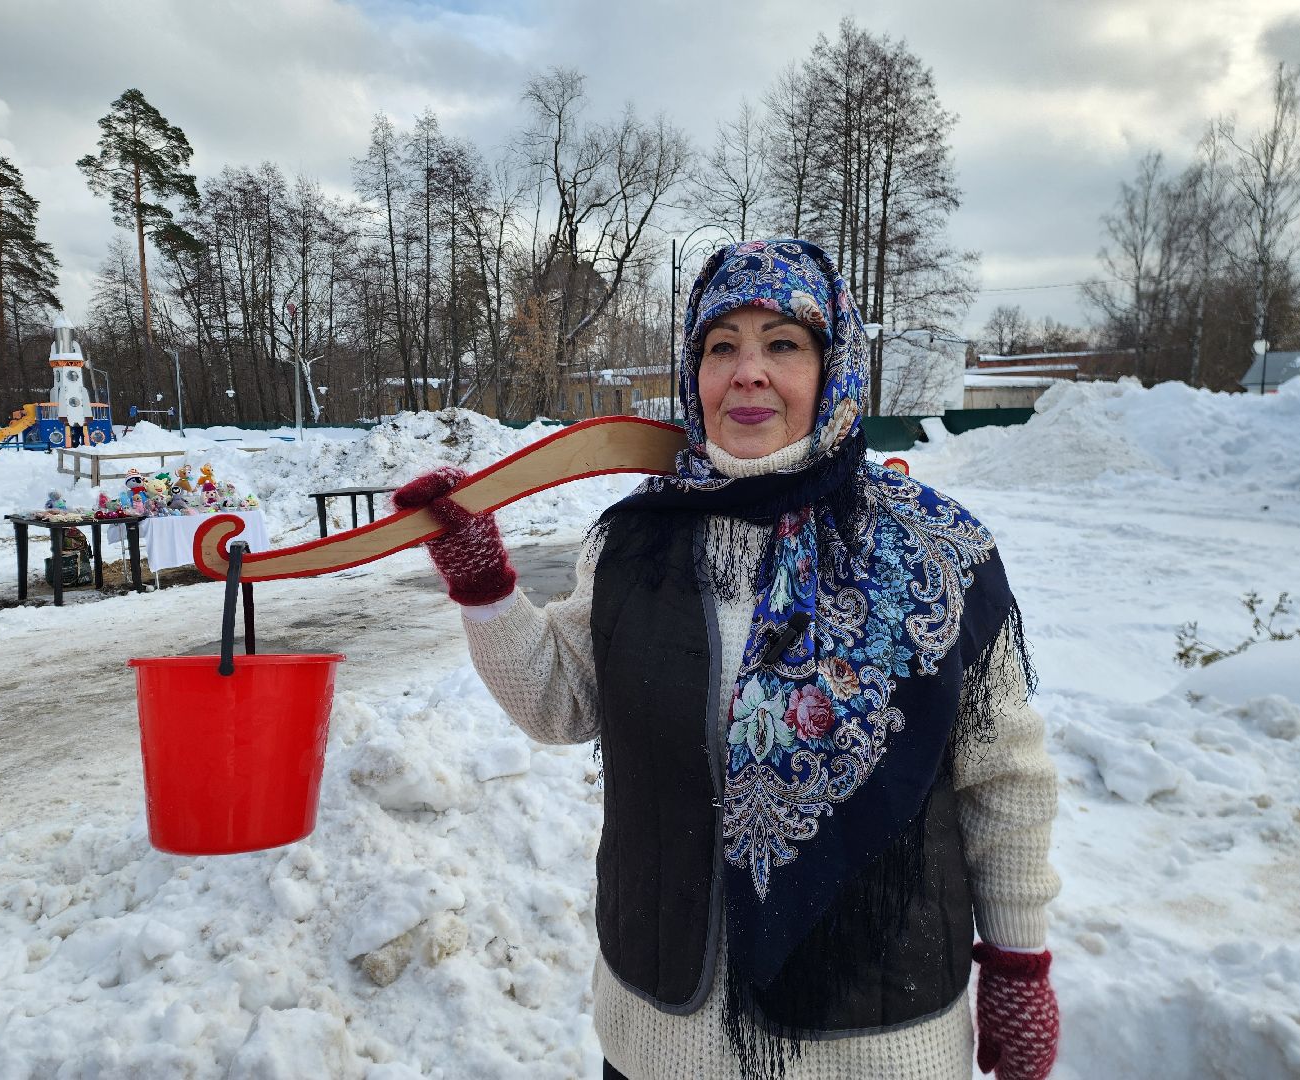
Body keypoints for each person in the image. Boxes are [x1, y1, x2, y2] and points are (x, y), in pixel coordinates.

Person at [393, 239, 1060, 1080]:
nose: (747, 372)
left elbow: (1004, 775)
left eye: (782, 343)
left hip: (880, 1039)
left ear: (833, 366)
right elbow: (558, 701)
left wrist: (1017, 964)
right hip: (663, 1036)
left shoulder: (936, 551)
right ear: (692, 372)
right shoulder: (636, 540)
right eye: (721, 347)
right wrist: (484, 584)